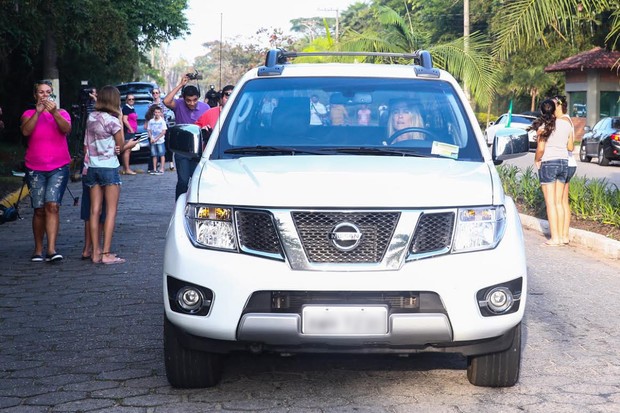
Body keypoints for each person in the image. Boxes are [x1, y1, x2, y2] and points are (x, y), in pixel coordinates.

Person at [83, 85, 137, 264]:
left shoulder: (91, 118)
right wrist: (129, 143)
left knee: (94, 211)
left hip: (92, 167)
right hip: (109, 168)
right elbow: (120, 147)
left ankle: (95, 252)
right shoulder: (113, 121)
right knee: (111, 211)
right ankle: (106, 254)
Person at [20, 80, 72, 262]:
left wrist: (54, 112)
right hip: (35, 168)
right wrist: (38, 112)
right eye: (40, 92)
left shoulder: (62, 113)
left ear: (52, 95)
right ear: (35, 95)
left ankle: (51, 249)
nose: (44, 95)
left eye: (47, 92)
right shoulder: (28, 114)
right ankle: (38, 249)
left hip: (58, 167)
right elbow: (26, 132)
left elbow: (66, 129)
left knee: (53, 206)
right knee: (39, 209)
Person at [531, 98, 573, 246]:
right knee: (559, 202)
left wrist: (537, 159)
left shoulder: (543, 126)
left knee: (551, 203)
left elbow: (541, 149)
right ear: (555, 109)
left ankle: (554, 239)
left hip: (549, 163)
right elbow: (570, 146)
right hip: (564, 163)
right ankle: (561, 237)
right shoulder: (566, 124)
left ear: (542, 111)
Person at [163, 75, 210, 199]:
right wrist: (180, 85)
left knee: (197, 181)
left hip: (199, 149)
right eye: (188, 100)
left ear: (198, 97)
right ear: (184, 99)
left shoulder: (205, 108)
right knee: (183, 182)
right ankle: (179, 206)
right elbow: (166, 101)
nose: (192, 103)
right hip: (182, 149)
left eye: (194, 100)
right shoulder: (178, 105)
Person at [554, 95, 576, 245]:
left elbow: (570, 146)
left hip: (563, 162)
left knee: (558, 201)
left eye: (553, 105)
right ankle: (565, 235)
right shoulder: (568, 119)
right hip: (571, 163)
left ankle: (559, 235)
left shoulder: (561, 121)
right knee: (563, 201)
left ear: (560, 106)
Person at [147, 105, 168, 175]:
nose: (157, 114)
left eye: (158, 112)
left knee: (162, 154)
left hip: (160, 140)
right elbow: (149, 130)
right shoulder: (151, 121)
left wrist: (157, 138)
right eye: (156, 112)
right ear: (154, 113)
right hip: (153, 140)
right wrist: (151, 138)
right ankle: (155, 168)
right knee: (154, 155)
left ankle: (162, 168)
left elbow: (163, 131)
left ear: (160, 113)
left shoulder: (162, 121)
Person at [121, 94, 138, 175]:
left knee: (128, 150)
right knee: (127, 150)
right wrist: (130, 128)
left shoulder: (132, 108)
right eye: (129, 99)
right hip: (128, 132)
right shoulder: (126, 108)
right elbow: (124, 119)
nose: (131, 100)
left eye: (133, 99)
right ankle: (127, 169)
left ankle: (125, 168)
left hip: (132, 131)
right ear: (126, 100)